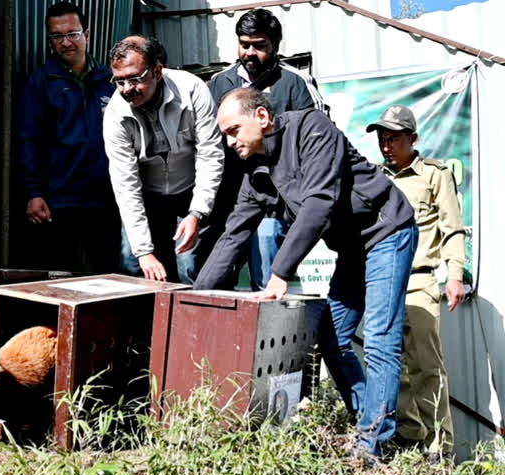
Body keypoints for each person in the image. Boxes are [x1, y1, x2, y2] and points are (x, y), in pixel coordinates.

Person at [195, 88, 418, 459]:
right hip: (352, 248)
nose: (230, 141)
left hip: (387, 230)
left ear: (262, 118)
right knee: (333, 341)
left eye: (234, 130)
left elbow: (319, 204)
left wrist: (281, 272)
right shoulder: (256, 174)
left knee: (380, 338)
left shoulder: (312, 129)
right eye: (225, 135)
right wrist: (197, 298)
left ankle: (373, 443)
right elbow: (234, 233)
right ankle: (367, 420)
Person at [367, 105, 466, 458]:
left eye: (394, 138)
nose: (386, 145)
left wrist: (455, 276)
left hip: (421, 282)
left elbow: (452, 228)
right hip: (382, 284)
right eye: (382, 138)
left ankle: (440, 451)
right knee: (393, 367)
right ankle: (410, 441)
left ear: (414, 138)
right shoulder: (376, 177)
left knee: (427, 368)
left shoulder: (435, 175)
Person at [205, 8, 327, 290]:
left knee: (266, 276)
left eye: (259, 46)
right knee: (216, 278)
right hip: (228, 201)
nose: (250, 52)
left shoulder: (295, 83)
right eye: (244, 44)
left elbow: (315, 142)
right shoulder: (218, 84)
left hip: (273, 202)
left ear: (275, 46)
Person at [103, 35, 224, 283]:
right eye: (120, 81)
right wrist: (144, 251)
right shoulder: (115, 114)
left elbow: (210, 154)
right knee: (132, 263)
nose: (127, 89)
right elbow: (125, 185)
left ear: (158, 71)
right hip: (148, 196)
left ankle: (191, 320)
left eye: (135, 79)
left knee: (189, 266)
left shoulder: (192, 90)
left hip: (190, 191)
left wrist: (197, 213)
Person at [17, 1, 118, 273]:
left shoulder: (110, 80)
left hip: (106, 198)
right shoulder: (40, 83)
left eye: (72, 33)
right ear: (50, 40)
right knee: (64, 276)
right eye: (57, 36)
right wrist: (34, 193)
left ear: (87, 34)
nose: (66, 42)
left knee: (105, 275)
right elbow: (29, 140)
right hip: (59, 201)